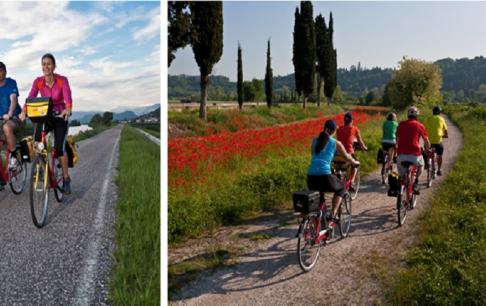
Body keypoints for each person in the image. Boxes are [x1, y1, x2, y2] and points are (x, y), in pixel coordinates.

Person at [19, 53, 73, 194]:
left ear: (54, 66)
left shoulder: (62, 80)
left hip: (60, 116)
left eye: (49, 64)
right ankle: (41, 168)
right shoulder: (38, 81)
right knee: (37, 142)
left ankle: (66, 178)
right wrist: (24, 111)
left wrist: (67, 109)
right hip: (45, 116)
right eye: (44, 64)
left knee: (59, 148)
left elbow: (67, 97)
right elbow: (30, 98)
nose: (46, 66)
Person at [307, 120, 359, 228]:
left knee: (320, 198)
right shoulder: (335, 143)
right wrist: (355, 162)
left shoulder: (315, 140)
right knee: (341, 189)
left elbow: (314, 156)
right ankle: (333, 214)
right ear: (334, 131)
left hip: (311, 176)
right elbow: (347, 157)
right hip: (325, 176)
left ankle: (319, 223)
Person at [396, 106, 430, 194]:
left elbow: (397, 138)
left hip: (401, 156)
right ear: (417, 116)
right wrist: (428, 149)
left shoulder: (401, 124)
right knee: (421, 164)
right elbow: (426, 140)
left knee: (401, 172)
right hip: (415, 155)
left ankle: (402, 182)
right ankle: (416, 182)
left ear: (408, 115)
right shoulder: (420, 125)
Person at [0, 62, 22, 176]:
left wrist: (9, 114)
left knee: (7, 127)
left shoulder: (11, 83)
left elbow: (13, 100)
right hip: (0, 119)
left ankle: (13, 157)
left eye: (1, 70)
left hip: (14, 118)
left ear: (5, 71)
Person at [336, 112, 367, 190]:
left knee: (339, 166)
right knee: (355, 164)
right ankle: (351, 182)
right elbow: (360, 141)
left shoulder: (338, 129)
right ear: (351, 121)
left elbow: (340, 139)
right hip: (348, 153)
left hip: (338, 153)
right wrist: (364, 147)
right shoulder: (354, 128)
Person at [424, 106, 448, 176]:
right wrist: (444, 135)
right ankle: (439, 169)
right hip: (438, 141)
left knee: (427, 153)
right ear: (440, 113)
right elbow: (446, 131)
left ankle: (427, 163)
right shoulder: (441, 119)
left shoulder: (428, 119)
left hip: (429, 142)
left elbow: (424, 129)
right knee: (439, 155)